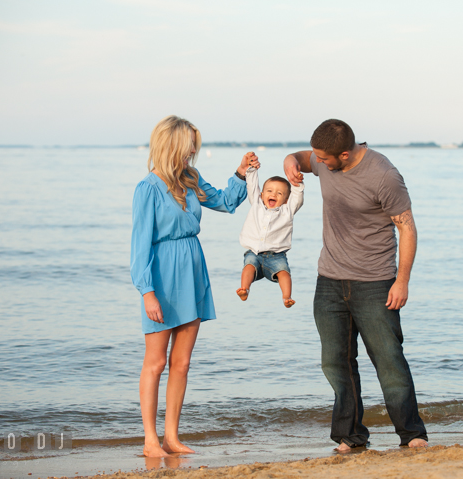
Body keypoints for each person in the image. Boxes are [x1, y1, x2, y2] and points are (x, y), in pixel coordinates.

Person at [283, 119, 428, 452]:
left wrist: (402, 280)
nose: (319, 162)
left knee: (389, 360)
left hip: (375, 283)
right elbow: (301, 157)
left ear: (345, 154)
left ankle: (412, 435)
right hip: (329, 281)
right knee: (336, 363)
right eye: (317, 156)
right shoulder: (324, 159)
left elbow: (407, 228)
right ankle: (351, 437)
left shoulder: (384, 176)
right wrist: (291, 161)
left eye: (325, 158)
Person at [130, 115, 257, 457]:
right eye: (188, 148)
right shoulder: (148, 189)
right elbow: (139, 245)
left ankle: (171, 437)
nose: (192, 154)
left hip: (192, 270)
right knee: (155, 362)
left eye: (194, 149)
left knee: (182, 363)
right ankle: (149, 440)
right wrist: (147, 291)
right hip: (162, 276)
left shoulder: (191, 179)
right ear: (172, 145)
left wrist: (242, 173)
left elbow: (226, 202)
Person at [236, 161, 304, 307]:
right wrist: (252, 169)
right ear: (261, 195)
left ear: (286, 200)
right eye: (269, 191)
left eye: (279, 193)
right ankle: (244, 289)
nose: (273, 194)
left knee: (284, 273)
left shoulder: (287, 211)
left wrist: (297, 183)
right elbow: (252, 186)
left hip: (276, 255)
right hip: (254, 252)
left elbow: (297, 198)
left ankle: (287, 297)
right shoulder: (256, 204)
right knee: (248, 267)